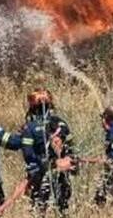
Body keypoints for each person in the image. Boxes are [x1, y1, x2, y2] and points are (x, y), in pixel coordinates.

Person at [19, 88, 76, 216]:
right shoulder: (62, 124)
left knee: (39, 211)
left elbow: (28, 155)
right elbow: (71, 150)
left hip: (40, 177)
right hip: (62, 175)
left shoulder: (30, 128)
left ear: (32, 107)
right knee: (62, 209)